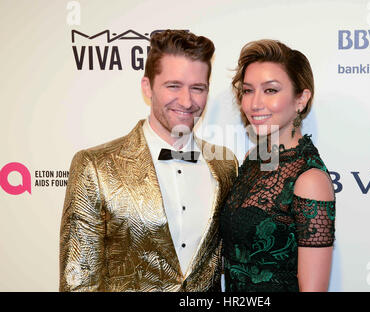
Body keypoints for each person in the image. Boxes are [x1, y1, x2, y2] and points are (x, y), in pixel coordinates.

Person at [60, 30, 238, 292]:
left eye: (197, 88)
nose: (187, 101)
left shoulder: (225, 165)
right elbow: (78, 280)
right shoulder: (95, 166)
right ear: (147, 87)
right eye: (173, 86)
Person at [220, 39, 336, 292]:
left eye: (270, 90)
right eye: (248, 90)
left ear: (301, 99)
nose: (254, 103)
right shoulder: (253, 158)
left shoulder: (309, 180)